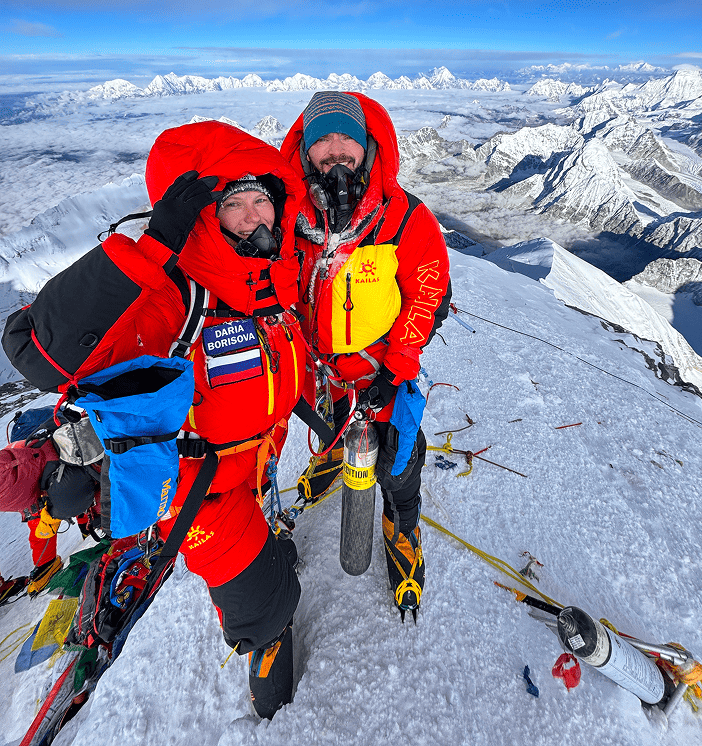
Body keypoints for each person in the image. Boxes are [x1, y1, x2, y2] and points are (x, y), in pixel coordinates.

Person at [3, 120, 313, 719]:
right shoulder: (171, 297)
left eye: (262, 202)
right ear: (203, 216)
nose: (254, 218)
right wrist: (149, 251)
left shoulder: (273, 283)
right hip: (204, 495)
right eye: (234, 205)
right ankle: (280, 714)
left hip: (255, 459)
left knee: (264, 565)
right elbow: (33, 349)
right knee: (267, 605)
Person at [281, 91, 451, 620]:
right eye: (322, 141)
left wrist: (397, 368)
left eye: (346, 139)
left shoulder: (401, 218)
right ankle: (335, 453)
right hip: (322, 376)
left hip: (382, 375)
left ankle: (403, 527)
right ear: (306, 152)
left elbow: (428, 292)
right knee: (336, 428)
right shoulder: (288, 218)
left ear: (367, 145)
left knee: (398, 457)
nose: (336, 153)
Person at [0, 432, 102, 596]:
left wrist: (51, 516)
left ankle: (47, 564)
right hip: (46, 463)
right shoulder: (17, 462)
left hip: (65, 469)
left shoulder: (53, 483)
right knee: (46, 510)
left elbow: (68, 498)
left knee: (64, 500)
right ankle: (48, 562)